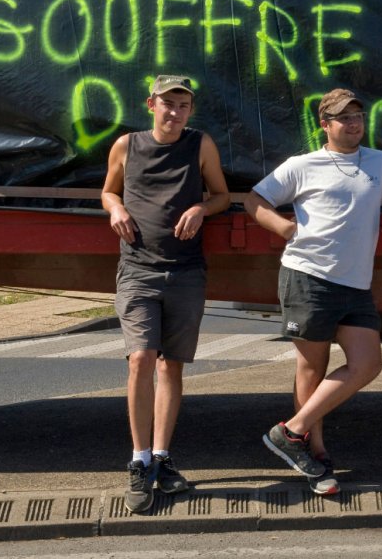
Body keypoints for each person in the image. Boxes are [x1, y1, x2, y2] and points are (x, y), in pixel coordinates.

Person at [244, 88, 382, 496]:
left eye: (358, 115)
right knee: (312, 369)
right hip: (308, 276)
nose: (354, 123)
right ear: (325, 125)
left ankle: (291, 432)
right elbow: (254, 200)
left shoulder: (381, 162)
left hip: (356, 283)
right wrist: (284, 228)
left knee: (367, 364)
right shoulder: (303, 165)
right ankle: (316, 456)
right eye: (344, 118)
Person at [101, 75, 231, 513]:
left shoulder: (200, 144)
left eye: (182, 105)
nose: (174, 112)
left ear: (189, 110)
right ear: (150, 104)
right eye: (167, 104)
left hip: (186, 270)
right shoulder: (127, 145)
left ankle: (161, 457)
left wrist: (200, 207)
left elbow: (222, 196)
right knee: (140, 358)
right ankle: (137, 461)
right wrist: (116, 206)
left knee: (171, 366)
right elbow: (107, 190)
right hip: (138, 269)